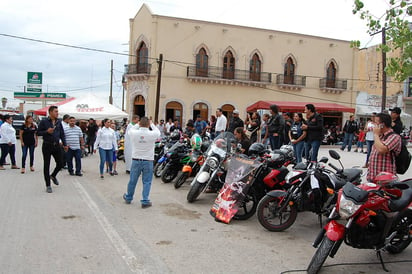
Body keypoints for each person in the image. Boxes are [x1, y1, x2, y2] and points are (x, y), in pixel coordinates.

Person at [123, 117, 161, 208]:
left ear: (139, 124)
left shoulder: (134, 133)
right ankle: (145, 200)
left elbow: (131, 129)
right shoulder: (152, 134)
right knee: (147, 181)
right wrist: (151, 123)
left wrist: (138, 123)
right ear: (148, 124)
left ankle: (129, 197)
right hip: (148, 160)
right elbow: (158, 132)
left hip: (136, 159)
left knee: (133, 180)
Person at [37, 106, 68, 193]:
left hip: (57, 146)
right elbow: (38, 132)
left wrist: (65, 144)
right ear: (50, 112)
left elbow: (62, 134)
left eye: (57, 111)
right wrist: (47, 131)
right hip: (47, 145)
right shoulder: (44, 121)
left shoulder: (59, 122)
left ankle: (53, 175)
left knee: (61, 163)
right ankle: (48, 185)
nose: (57, 113)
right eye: (55, 111)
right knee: (46, 165)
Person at [367, 112, 402, 182]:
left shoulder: (394, 137)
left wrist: (376, 135)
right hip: (373, 176)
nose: (374, 125)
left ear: (382, 125)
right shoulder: (380, 137)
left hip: (385, 179)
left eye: (376, 123)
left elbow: (381, 149)